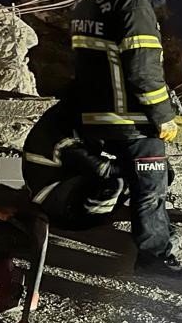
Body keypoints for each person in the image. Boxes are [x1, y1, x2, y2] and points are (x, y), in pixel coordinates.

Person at [70, 0, 182, 276]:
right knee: (151, 187)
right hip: (130, 118)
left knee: (146, 178)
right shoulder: (133, 0)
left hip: (97, 114)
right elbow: (143, 68)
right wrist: (164, 116)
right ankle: (155, 257)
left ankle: (151, 233)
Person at [22, 97, 123, 229]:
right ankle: (94, 223)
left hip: (58, 181)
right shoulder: (63, 137)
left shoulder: (72, 113)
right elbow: (103, 169)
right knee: (115, 182)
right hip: (57, 205)